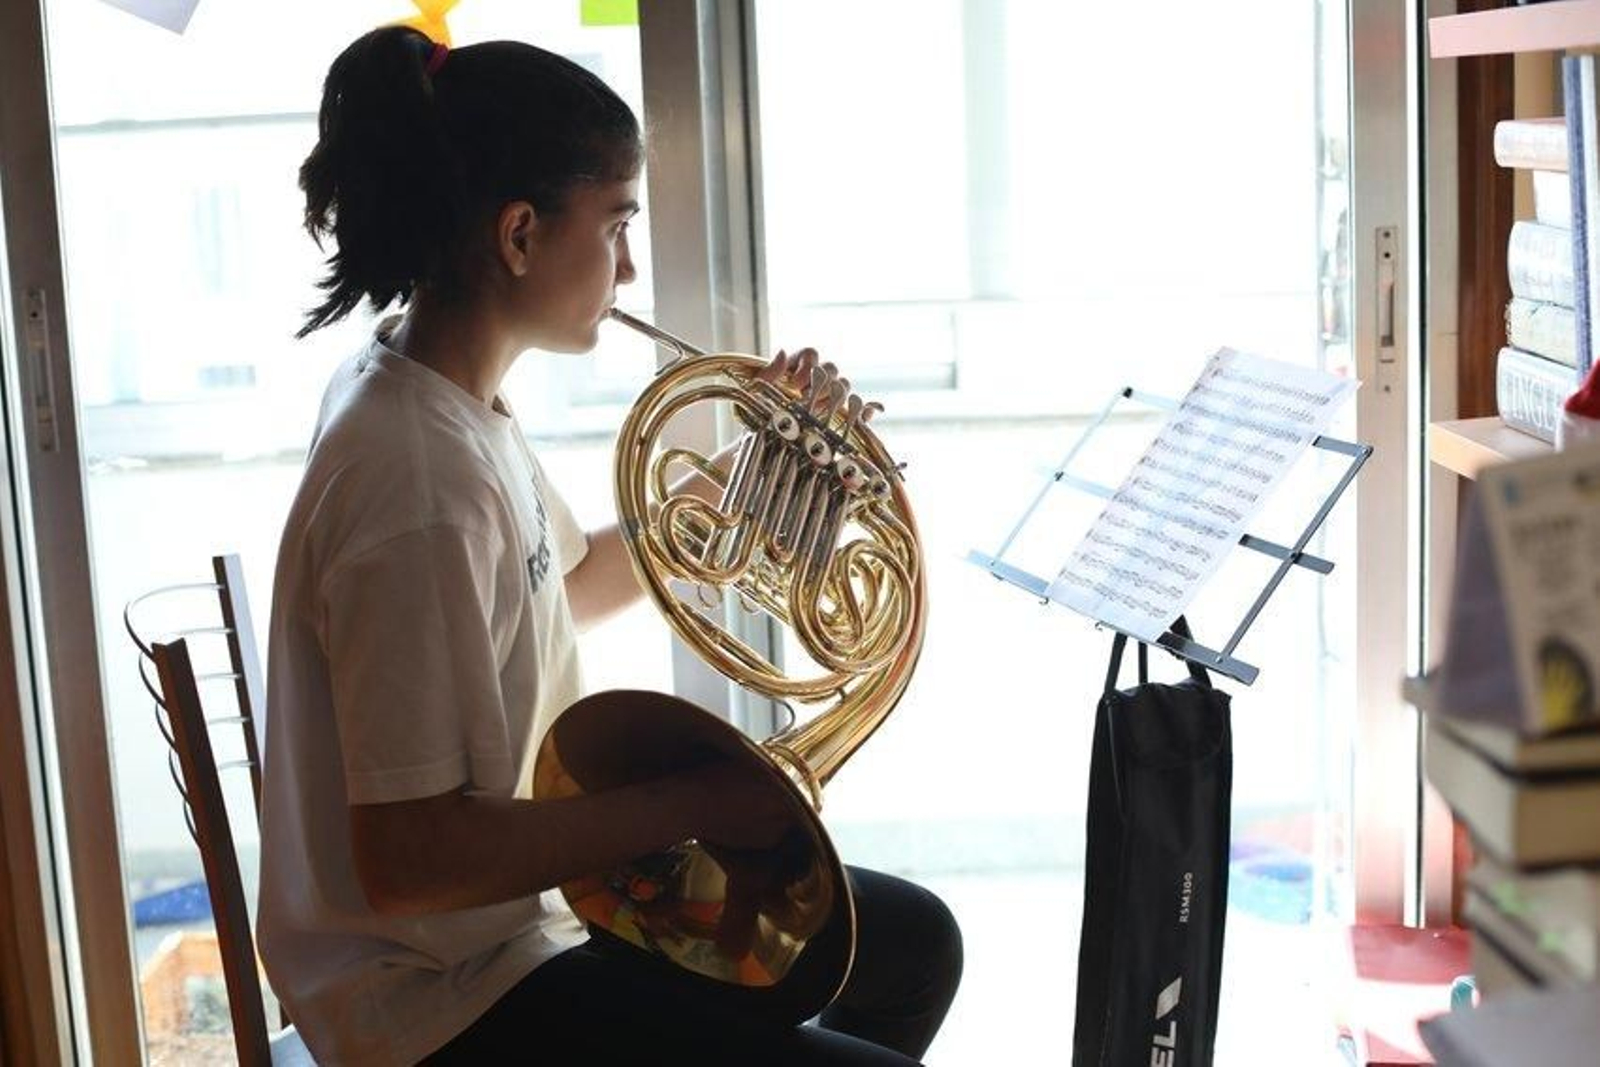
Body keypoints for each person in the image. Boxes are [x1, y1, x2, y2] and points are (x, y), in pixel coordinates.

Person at [257, 25, 962, 1067]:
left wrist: (748, 491)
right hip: (440, 1004)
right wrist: (688, 803)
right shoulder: (415, 478)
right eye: (617, 224)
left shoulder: (449, 397)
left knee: (912, 943)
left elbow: (564, 584)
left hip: (506, 935)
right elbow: (409, 859)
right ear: (520, 235)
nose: (629, 267)